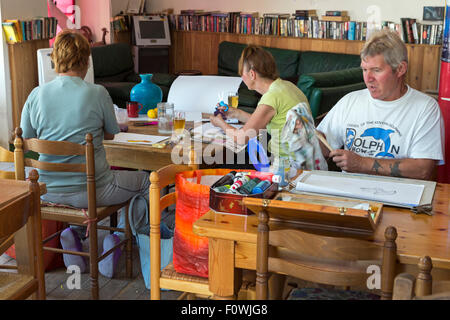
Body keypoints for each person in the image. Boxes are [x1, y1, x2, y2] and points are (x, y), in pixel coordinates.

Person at [20, 30, 153, 278]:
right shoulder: (97, 92)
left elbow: (27, 139)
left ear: (55, 60)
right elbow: (112, 134)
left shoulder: (35, 94)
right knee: (147, 182)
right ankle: (118, 238)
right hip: (91, 190)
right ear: (86, 60)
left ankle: (76, 244)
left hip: (46, 190)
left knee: (78, 187)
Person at [316, 29, 444, 180]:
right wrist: (307, 136)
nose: (368, 78)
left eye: (376, 70)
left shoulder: (425, 108)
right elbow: (323, 147)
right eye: (364, 70)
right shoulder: (350, 101)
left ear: (401, 69)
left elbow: (423, 169)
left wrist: (362, 164)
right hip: (350, 196)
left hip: (399, 199)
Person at [209, 45, 310, 164]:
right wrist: (236, 113)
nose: (241, 77)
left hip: (287, 166)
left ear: (252, 74)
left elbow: (242, 138)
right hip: (305, 158)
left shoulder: (271, 98)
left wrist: (220, 123)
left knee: (222, 164)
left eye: (242, 73)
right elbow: (261, 121)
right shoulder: (287, 86)